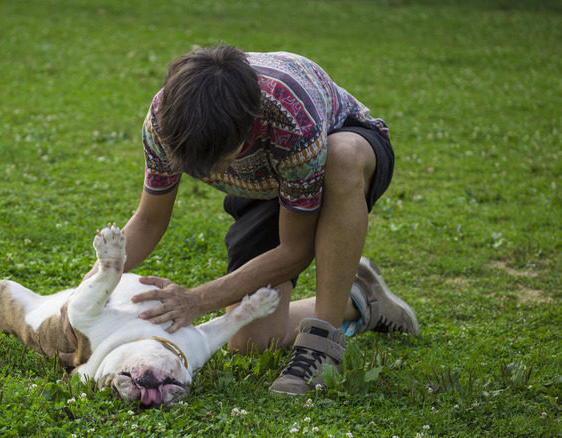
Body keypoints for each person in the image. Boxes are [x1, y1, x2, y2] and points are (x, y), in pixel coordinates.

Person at [90, 44, 419, 395]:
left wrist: (198, 299)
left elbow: (296, 248)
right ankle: (360, 297)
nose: (204, 173)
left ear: (247, 129)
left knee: (343, 156)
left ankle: (321, 345)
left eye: (215, 162)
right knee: (251, 341)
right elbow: (149, 221)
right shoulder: (166, 118)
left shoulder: (292, 120)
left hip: (340, 151)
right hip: (267, 183)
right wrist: (86, 292)